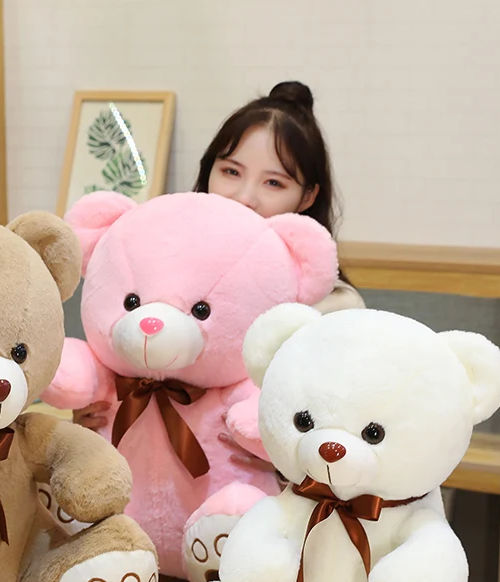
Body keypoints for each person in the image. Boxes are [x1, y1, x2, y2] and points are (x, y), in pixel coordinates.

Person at [73, 81, 365, 441]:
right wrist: (91, 401)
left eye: (274, 183)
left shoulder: (331, 308)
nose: (244, 197)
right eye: (231, 172)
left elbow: (335, 419)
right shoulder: (160, 267)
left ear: (307, 198)